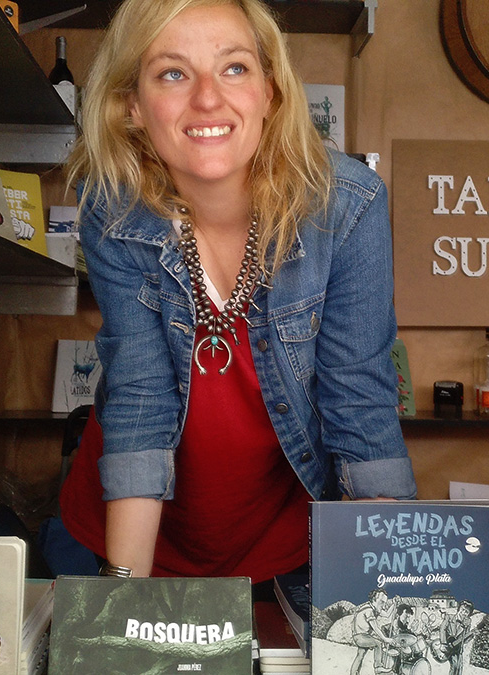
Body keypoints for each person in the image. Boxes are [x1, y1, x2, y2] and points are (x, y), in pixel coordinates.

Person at [58, 0, 417, 584]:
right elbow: (141, 397)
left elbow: (361, 410)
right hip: (136, 530)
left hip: (285, 541)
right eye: (172, 72)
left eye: (234, 67)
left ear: (270, 92)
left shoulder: (348, 208)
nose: (207, 98)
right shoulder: (113, 209)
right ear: (132, 106)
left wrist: (386, 603)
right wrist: (123, 602)